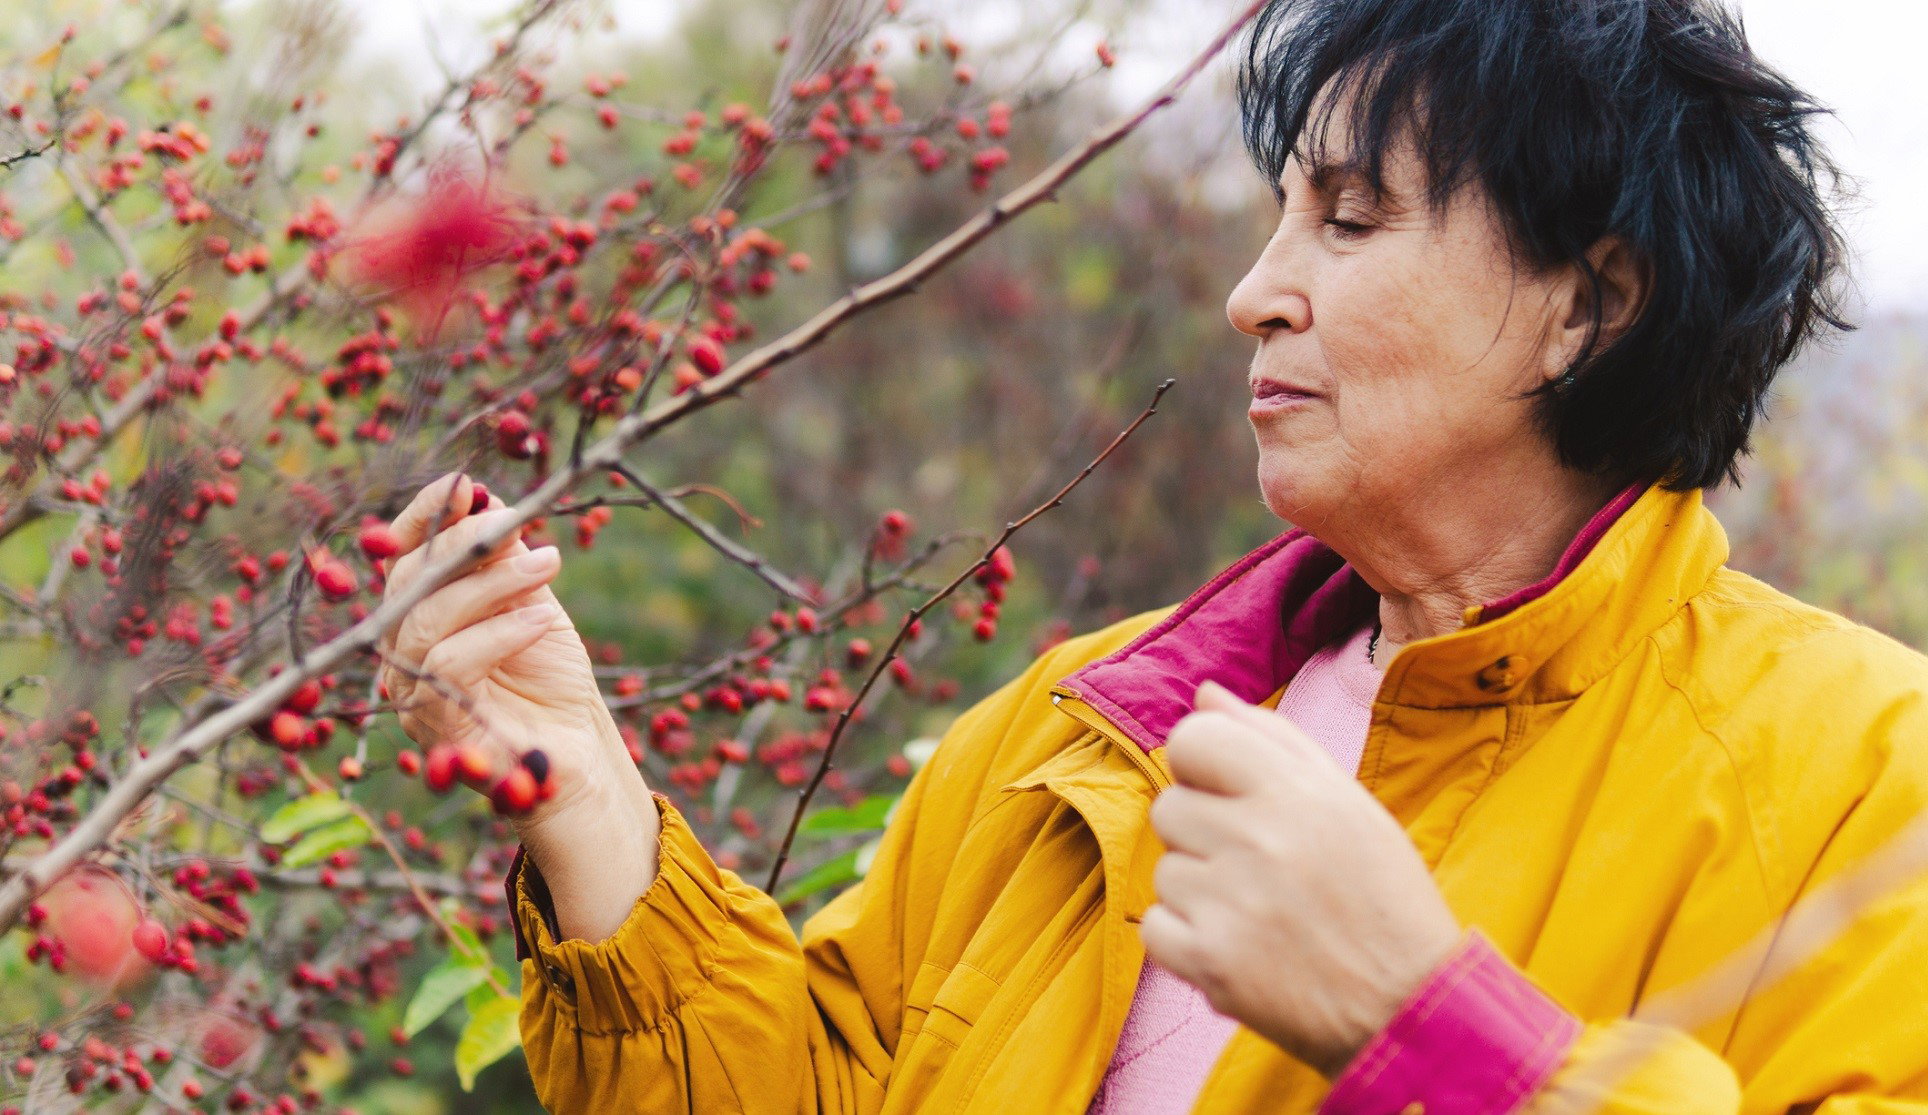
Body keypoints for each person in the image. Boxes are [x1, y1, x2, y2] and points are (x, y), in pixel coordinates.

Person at [376, 0, 1928, 1110]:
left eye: (1350, 220)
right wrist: (583, 802)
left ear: (1591, 303)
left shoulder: (1864, 781)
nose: (1257, 292)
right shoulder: (1096, 717)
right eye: (1279, 215)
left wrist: (1433, 1037)